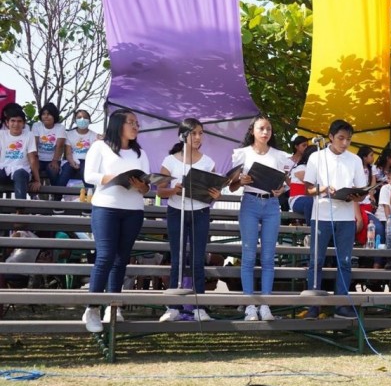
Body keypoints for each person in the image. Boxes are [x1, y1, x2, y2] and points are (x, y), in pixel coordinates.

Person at [82, 109, 152, 332]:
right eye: (131, 122)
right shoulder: (100, 147)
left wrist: (143, 187)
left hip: (133, 210)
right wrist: (113, 178)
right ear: (118, 124)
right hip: (106, 208)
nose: (135, 127)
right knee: (105, 256)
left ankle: (114, 306)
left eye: (137, 123)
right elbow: (89, 176)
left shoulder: (140, 153)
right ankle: (92, 308)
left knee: (121, 259)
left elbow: (147, 185)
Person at [229, 113, 292, 321]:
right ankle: (249, 305)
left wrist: (281, 189)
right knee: (248, 256)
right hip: (250, 202)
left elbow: (286, 183)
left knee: (268, 257)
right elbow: (232, 185)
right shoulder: (241, 153)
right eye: (261, 128)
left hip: (271, 204)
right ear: (253, 131)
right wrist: (242, 180)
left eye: (268, 129)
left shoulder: (280, 155)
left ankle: (265, 304)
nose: (265, 132)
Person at [303, 119, 366, 319]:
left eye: (348, 139)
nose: (344, 143)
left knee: (345, 261)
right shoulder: (316, 156)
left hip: (346, 216)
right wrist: (323, 189)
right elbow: (308, 188)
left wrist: (358, 196)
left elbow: (362, 192)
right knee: (316, 261)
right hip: (321, 214)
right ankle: (313, 305)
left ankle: (341, 305)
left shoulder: (355, 160)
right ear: (330, 137)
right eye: (340, 138)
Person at [157, 118, 218, 322]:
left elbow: (213, 191)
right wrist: (174, 189)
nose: (198, 137)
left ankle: (199, 306)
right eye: (194, 133)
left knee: (198, 258)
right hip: (176, 210)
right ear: (183, 135)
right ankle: (173, 306)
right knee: (177, 258)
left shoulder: (208, 161)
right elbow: (160, 191)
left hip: (200, 211)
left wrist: (215, 194)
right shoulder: (170, 161)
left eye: (201, 133)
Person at [0, 104, 41, 199]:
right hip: (3, 170)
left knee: (20, 174)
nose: (16, 124)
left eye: (19, 121)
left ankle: (20, 210)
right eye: (12, 121)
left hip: (22, 171)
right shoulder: (1, 135)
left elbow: (32, 159)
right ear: (7, 123)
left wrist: (37, 180)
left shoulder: (29, 135)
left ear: (24, 123)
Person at [57, 109, 100, 190]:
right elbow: (68, 153)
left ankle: (90, 197)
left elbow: (95, 154)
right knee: (65, 173)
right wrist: (72, 162)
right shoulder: (69, 134)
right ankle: (56, 197)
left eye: (85, 117)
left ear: (89, 120)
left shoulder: (95, 136)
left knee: (85, 172)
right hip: (72, 161)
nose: (82, 119)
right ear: (75, 120)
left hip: (88, 162)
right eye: (79, 117)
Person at [31, 102, 66, 190]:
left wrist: (54, 161)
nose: (46, 116)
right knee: (31, 170)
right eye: (43, 114)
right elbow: (34, 144)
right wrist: (35, 160)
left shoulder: (60, 127)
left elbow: (60, 145)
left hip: (53, 159)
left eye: (49, 114)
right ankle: (33, 197)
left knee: (52, 170)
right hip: (38, 158)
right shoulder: (36, 126)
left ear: (54, 116)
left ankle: (56, 195)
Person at [288, 145, 317, 225]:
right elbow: (310, 182)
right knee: (310, 201)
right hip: (297, 200)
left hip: (314, 199)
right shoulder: (301, 168)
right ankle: (311, 229)